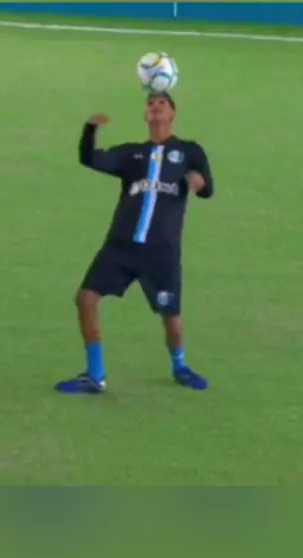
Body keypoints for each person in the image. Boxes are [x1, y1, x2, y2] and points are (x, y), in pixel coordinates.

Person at [55, 91, 214, 394]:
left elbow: (208, 189)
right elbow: (90, 158)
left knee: (171, 317)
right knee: (85, 299)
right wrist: (90, 129)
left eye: (162, 104)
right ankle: (95, 375)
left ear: (173, 114)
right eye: (151, 104)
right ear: (145, 116)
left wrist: (198, 182)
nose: (155, 107)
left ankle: (180, 367)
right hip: (121, 246)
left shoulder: (189, 151)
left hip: (161, 251)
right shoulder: (132, 154)